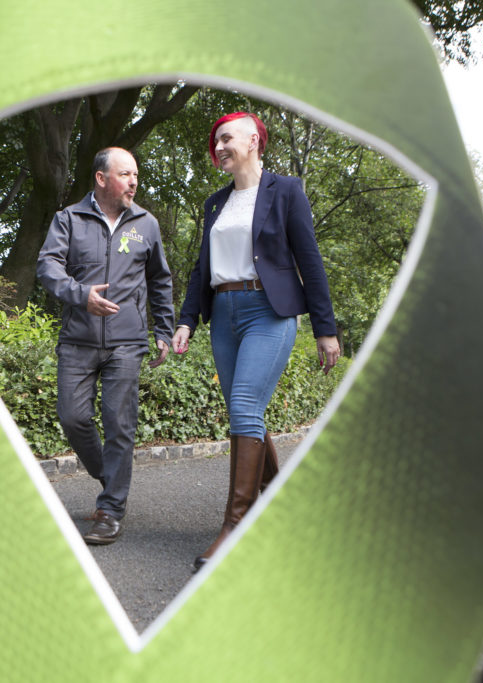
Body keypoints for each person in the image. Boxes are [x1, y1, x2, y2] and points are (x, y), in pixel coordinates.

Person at [171, 112, 340, 571]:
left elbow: (310, 259)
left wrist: (326, 329)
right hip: (224, 313)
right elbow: (200, 268)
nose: (219, 145)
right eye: (216, 140)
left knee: (245, 405)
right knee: (246, 413)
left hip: (269, 311)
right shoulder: (214, 204)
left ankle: (236, 526)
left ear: (253, 140)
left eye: (226, 137)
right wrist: (187, 320)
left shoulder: (285, 191)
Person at [37, 147, 174, 545]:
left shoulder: (146, 224)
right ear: (101, 178)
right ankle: (110, 474)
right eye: (125, 174)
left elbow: (160, 281)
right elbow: (48, 266)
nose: (134, 181)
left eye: (136, 175)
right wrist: (81, 295)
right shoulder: (69, 219)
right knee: (72, 418)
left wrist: (162, 330)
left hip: (126, 342)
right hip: (78, 340)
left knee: (119, 424)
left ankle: (110, 509)